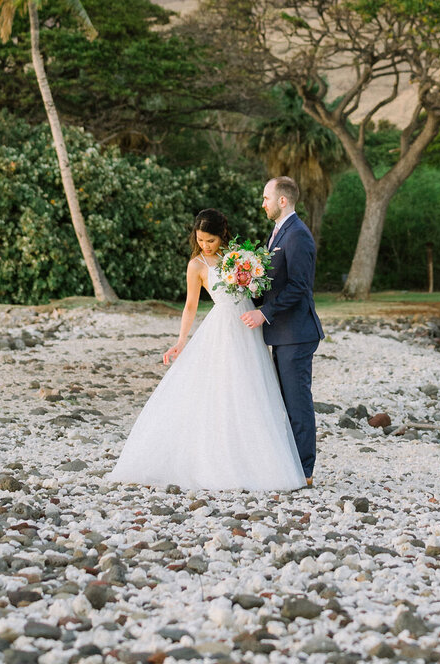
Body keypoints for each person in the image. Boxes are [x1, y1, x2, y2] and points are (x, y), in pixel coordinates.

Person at [109, 208, 304, 493]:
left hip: (248, 325)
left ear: (222, 235)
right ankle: (214, 459)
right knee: (220, 388)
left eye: (210, 240)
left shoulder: (238, 256)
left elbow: (256, 290)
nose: (205, 245)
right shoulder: (197, 265)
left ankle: (256, 458)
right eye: (200, 240)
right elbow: (190, 305)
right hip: (222, 326)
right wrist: (180, 340)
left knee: (252, 389)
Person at [240, 176, 325, 485]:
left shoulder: (298, 235)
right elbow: (273, 282)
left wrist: (265, 312)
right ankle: (289, 464)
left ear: (282, 201)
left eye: (266, 198)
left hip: (298, 333)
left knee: (297, 401)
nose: (263, 203)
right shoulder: (277, 233)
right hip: (284, 333)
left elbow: (300, 287)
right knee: (284, 401)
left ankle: (305, 472)